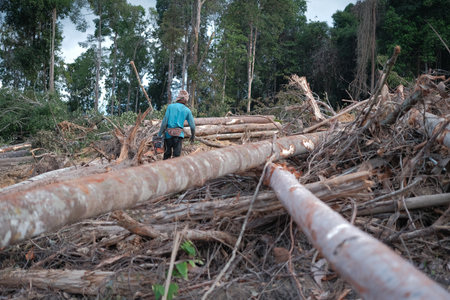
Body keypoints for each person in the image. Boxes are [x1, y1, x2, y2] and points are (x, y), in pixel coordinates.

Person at [158, 90, 195, 160]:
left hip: (168, 135)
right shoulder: (187, 110)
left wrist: (159, 134)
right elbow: (192, 126)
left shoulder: (170, 107)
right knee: (176, 157)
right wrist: (193, 136)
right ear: (186, 100)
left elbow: (164, 122)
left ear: (178, 98)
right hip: (178, 136)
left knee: (166, 155)